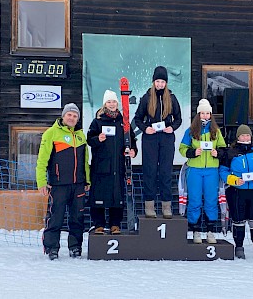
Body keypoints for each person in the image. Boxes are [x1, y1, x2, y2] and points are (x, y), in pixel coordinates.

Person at [36, 103, 90, 260]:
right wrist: (41, 182)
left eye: (75, 116)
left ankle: (75, 247)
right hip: (58, 184)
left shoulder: (80, 135)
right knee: (56, 217)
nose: (72, 118)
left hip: (78, 184)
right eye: (69, 115)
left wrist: (87, 180)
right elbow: (42, 160)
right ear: (63, 116)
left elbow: (85, 161)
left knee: (77, 218)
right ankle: (52, 247)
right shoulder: (51, 133)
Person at [133, 66, 182, 219]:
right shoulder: (146, 97)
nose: (160, 84)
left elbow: (178, 118)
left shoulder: (172, 98)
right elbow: (138, 118)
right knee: (150, 171)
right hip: (150, 138)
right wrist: (145, 129)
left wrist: (172, 128)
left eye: (162, 81)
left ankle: (166, 206)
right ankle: (150, 205)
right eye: (157, 81)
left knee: (166, 171)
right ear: (153, 82)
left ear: (166, 83)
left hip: (166, 138)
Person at [87, 90, 137, 235]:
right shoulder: (97, 121)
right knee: (99, 195)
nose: (112, 104)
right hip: (101, 166)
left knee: (117, 196)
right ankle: (99, 224)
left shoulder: (124, 122)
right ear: (104, 104)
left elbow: (132, 140)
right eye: (109, 102)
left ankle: (115, 224)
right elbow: (89, 140)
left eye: (114, 101)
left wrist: (133, 150)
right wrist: (98, 139)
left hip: (119, 165)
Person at [179, 98, 226, 244]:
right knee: (194, 200)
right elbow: (182, 149)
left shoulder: (216, 132)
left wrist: (217, 153)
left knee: (211, 200)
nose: (205, 116)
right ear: (198, 115)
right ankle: (196, 231)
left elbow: (224, 150)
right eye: (202, 113)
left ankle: (210, 231)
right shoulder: (191, 131)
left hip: (212, 170)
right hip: (194, 170)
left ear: (210, 114)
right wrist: (193, 152)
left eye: (207, 113)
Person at [219, 125, 253, 260]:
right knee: (238, 221)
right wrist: (234, 180)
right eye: (243, 135)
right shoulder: (230, 152)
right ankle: (239, 248)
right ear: (238, 137)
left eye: (247, 135)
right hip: (237, 192)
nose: (246, 138)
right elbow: (223, 171)